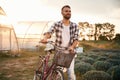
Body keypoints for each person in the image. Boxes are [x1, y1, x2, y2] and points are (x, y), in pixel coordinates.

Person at [40, 5, 79, 80]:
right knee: (56, 73)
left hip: (70, 53)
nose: (68, 12)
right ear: (62, 13)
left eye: (69, 11)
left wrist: (72, 47)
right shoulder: (56, 24)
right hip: (59, 52)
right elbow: (49, 32)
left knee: (70, 74)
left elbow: (76, 39)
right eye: (66, 11)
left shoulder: (75, 25)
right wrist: (45, 38)